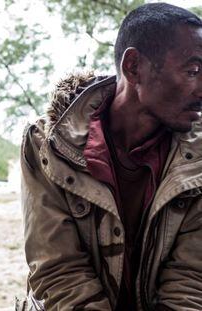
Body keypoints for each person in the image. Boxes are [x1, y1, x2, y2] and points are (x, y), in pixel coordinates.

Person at [20, 3, 202, 310]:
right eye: (193, 71)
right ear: (133, 67)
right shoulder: (48, 145)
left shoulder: (196, 160)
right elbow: (59, 273)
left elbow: (191, 280)